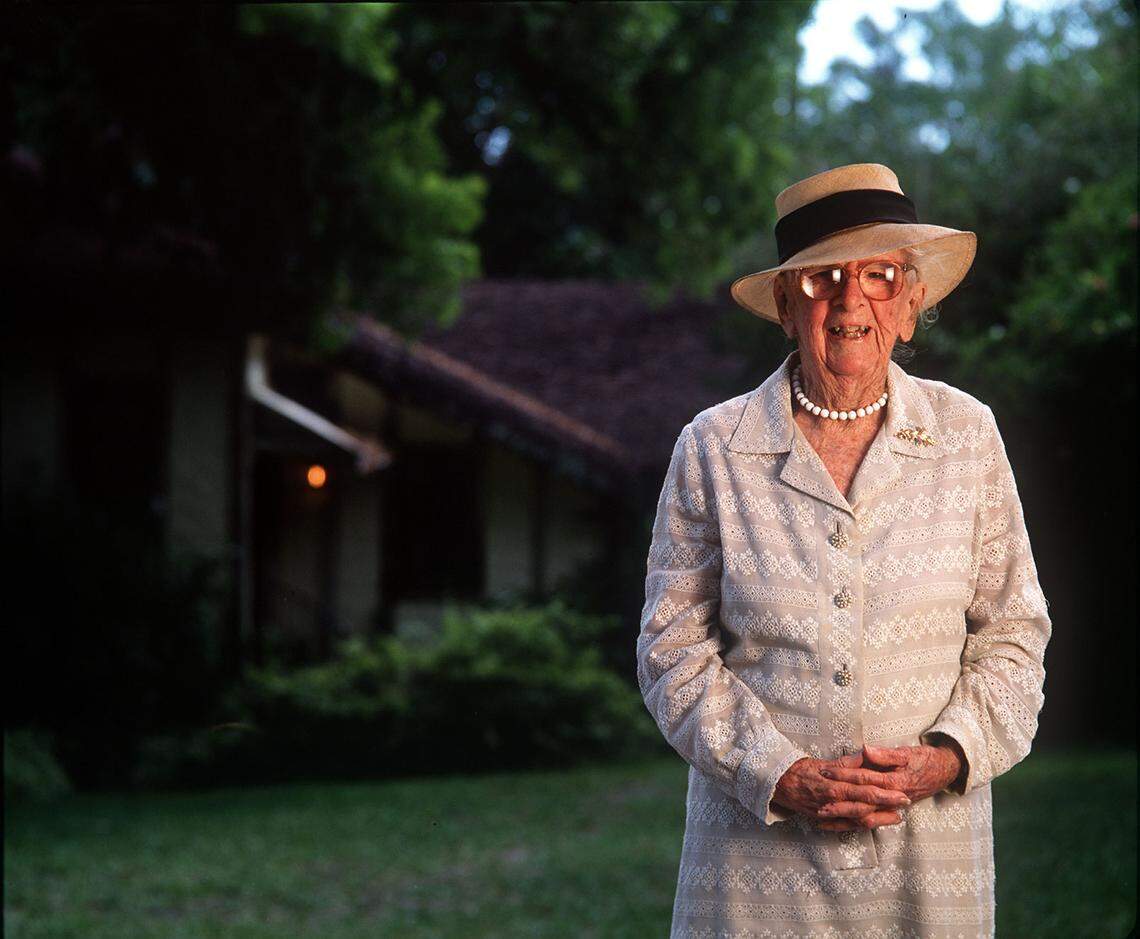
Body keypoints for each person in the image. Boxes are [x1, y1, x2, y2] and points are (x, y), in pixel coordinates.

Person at [636, 162, 1051, 938]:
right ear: (787, 306)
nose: (851, 299)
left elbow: (1015, 635)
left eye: (880, 274)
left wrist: (948, 756)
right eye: (823, 278)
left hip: (928, 862)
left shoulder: (968, 437)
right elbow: (670, 648)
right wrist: (778, 773)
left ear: (911, 299)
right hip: (754, 873)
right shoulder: (713, 447)